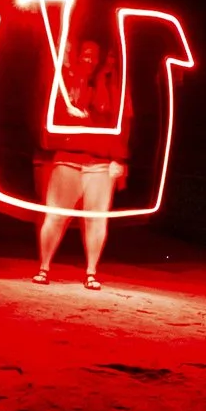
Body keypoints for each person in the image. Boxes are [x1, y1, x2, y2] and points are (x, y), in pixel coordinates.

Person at [33, 36, 127, 289]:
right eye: (85, 52)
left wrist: (120, 158)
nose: (90, 58)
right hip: (69, 156)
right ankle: (44, 267)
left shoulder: (111, 85)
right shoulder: (67, 80)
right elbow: (50, 94)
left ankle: (91, 272)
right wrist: (60, 63)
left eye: (95, 55)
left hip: (100, 160)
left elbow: (123, 121)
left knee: (96, 219)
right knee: (55, 216)